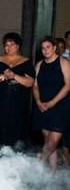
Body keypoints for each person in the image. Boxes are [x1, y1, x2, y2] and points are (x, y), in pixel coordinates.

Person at [0, 32, 35, 154]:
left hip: (18, 105)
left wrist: (14, 76)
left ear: (18, 46)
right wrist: (3, 76)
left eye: (12, 45)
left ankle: (15, 159)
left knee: (16, 131)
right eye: (6, 45)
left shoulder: (26, 62)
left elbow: (30, 82)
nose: (9, 47)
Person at [32, 37, 70, 171]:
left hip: (60, 106)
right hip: (43, 106)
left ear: (54, 48)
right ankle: (53, 172)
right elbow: (35, 86)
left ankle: (39, 163)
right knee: (48, 141)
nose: (45, 50)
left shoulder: (64, 62)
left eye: (48, 47)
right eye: (43, 48)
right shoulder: (39, 65)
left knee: (54, 140)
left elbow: (68, 86)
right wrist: (38, 102)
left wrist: (52, 103)